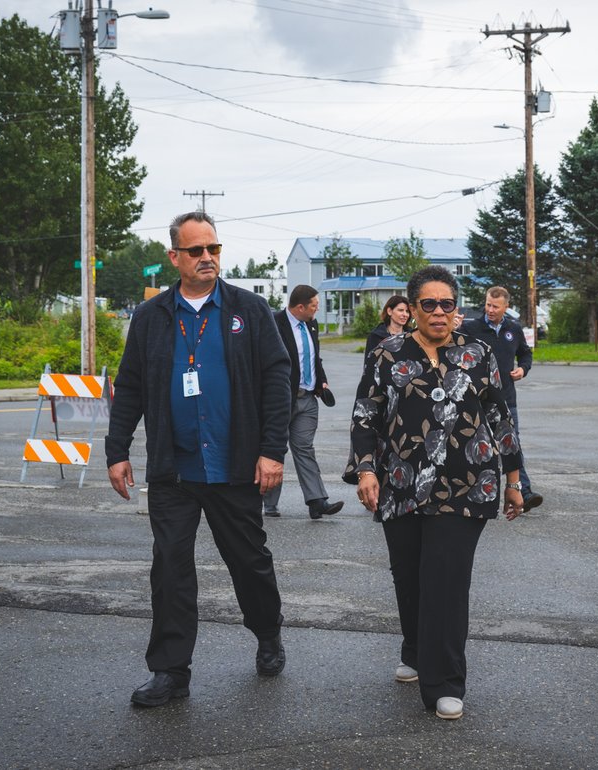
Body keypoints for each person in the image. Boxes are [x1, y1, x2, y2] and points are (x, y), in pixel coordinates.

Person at [106, 211, 292, 708]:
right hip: (175, 469)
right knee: (169, 568)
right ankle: (170, 672)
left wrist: (272, 451)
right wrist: (117, 450)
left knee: (249, 563)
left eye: (213, 249)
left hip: (234, 466)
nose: (207, 258)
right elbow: (129, 387)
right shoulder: (150, 317)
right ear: (175, 257)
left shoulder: (249, 310)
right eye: (196, 251)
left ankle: (267, 633)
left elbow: (277, 381)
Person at [345, 264, 524, 721]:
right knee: (409, 576)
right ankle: (415, 647)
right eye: (429, 304)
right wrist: (366, 470)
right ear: (413, 309)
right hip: (401, 485)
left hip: (467, 485)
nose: (440, 312)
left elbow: (502, 419)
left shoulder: (479, 353)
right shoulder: (388, 355)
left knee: (445, 580)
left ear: (456, 308)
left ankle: (444, 681)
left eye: (448, 304)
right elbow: (365, 416)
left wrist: (515, 479)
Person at [262, 285, 344, 519]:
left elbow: (313, 356)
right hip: (280, 400)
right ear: (300, 307)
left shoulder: (311, 324)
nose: (317, 310)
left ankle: (317, 501)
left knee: (304, 448)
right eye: (314, 307)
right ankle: (269, 503)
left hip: (308, 398)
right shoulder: (274, 323)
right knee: (275, 448)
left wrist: (322, 382)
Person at [461, 286, 544, 512]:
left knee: (511, 444)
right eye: (488, 304)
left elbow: (525, 354)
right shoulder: (471, 328)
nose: (490, 310)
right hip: (478, 400)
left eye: (495, 306)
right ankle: (474, 493)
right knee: (476, 446)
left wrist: (523, 370)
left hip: (507, 399)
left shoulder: (513, 329)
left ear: (506, 307)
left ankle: (523, 491)